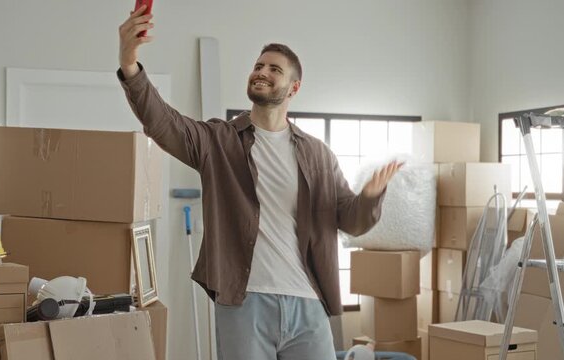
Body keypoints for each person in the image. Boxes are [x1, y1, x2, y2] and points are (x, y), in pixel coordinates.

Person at [118, 6, 402, 359]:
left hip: (308, 303)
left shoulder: (318, 155)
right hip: (244, 301)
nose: (261, 72)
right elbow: (163, 122)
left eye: (274, 69)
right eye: (258, 66)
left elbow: (352, 221)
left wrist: (371, 197)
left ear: (293, 87)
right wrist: (130, 64)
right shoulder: (217, 141)